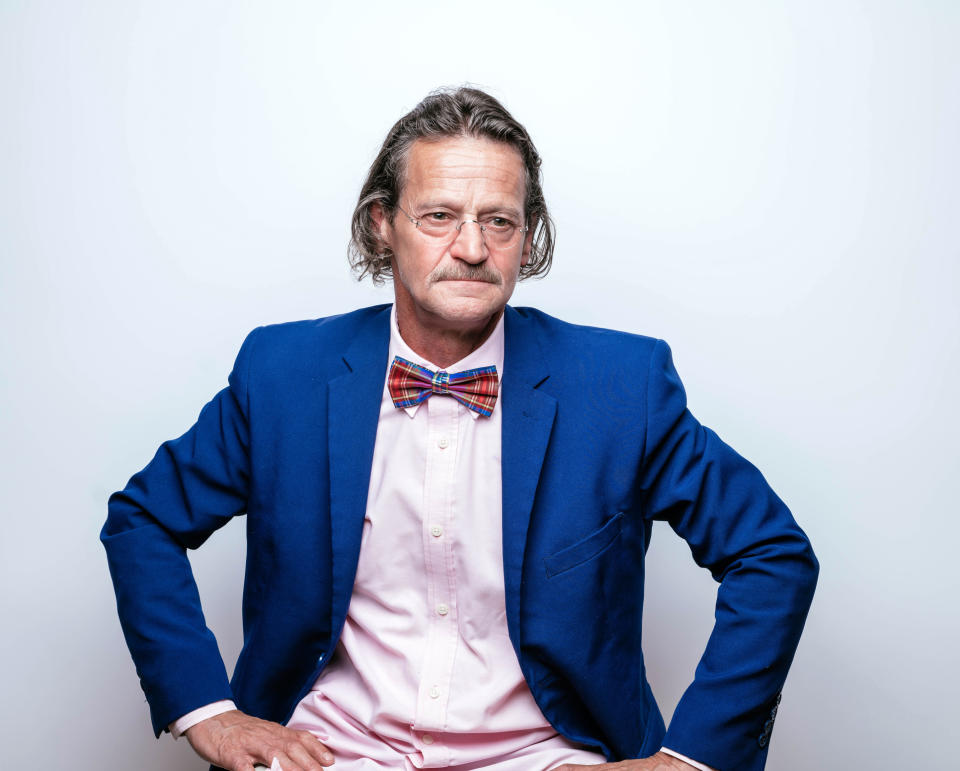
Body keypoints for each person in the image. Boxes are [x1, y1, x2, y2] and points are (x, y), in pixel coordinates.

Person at [102, 87, 818, 771]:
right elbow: (144, 520)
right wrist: (206, 708)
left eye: (498, 220)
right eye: (439, 216)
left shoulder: (621, 385)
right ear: (382, 223)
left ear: (526, 235)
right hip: (331, 749)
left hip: (547, 755)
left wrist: (691, 757)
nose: (473, 247)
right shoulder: (283, 373)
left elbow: (772, 553)